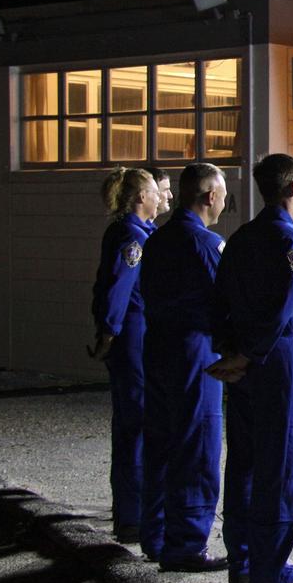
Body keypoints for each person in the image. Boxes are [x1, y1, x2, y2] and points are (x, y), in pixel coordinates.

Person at [208, 154, 293, 583]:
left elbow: (219, 300)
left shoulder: (239, 238)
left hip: (243, 358)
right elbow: (282, 309)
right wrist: (251, 354)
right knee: (280, 462)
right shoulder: (292, 243)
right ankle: (271, 571)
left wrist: (231, 352)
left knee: (244, 460)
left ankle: (241, 561)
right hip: (278, 359)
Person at [139, 163, 229, 572]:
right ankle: (188, 545)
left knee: (161, 441)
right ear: (210, 196)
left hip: (158, 345)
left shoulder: (157, 239)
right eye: (222, 195)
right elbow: (224, 300)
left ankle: (156, 535)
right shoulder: (206, 244)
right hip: (196, 351)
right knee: (197, 445)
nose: (223, 202)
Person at [91, 166, 160, 544]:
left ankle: (133, 510)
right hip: (134, 337)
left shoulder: (133, 232)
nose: (160, 198)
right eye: (155, 192)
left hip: (133, 335)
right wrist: (109, 332)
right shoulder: (133, 238)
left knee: (134, 423)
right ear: (140, 198)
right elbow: (118, 288)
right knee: (137, 424)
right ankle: (132, 515)